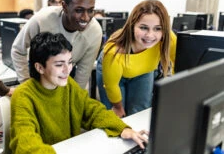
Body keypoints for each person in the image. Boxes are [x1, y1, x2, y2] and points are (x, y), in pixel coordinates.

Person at [10, 32, 149, 154]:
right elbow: (26, 142)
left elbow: (92, 110)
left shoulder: (68, 85)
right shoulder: (23, 95)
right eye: (59, 65)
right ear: (40, 67)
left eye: (69, 62)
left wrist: (121, 129)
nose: (67, 69)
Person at [11, 0, 102, 88]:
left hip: (67, 73)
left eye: (90, 10)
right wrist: (26, 84)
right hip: (39, 73)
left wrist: (73, 99)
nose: (86, 18)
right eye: (79, 10)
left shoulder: (95, 32)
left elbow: (83, 73)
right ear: (64, 7)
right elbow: (18, 50)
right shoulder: (42, 19)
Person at [96, 0, 177, 117]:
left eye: (157, 28)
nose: (150, 35)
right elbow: (111, 86)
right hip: (113, 73)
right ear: (132, 25)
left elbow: (179, 66)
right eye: (143, 28)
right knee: (117, 118)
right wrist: (118, 107)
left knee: (140, 113)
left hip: (143, 71)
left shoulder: (169, 39)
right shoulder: (114, 51)